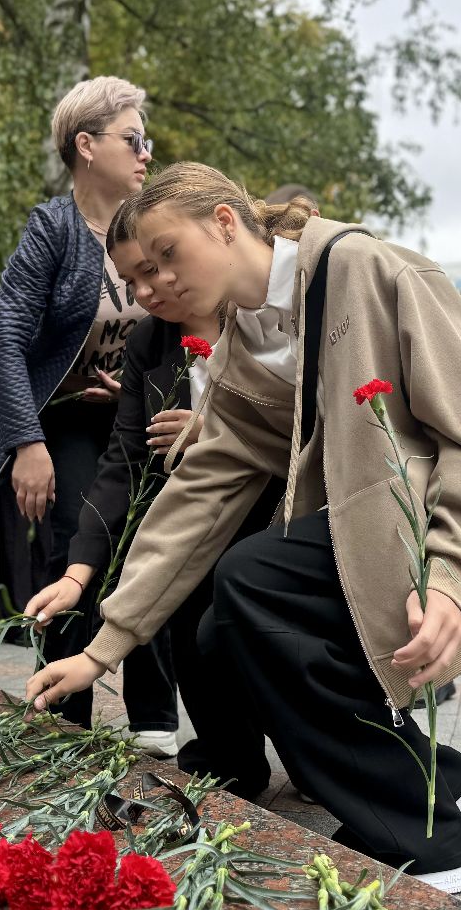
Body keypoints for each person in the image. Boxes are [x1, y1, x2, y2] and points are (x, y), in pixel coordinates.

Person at [25, 162, 461, 890]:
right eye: (137, 276)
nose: (155, 284)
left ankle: (424, 843)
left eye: (165, 257)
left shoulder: (370, 271)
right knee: (223, 629)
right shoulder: (248, 337)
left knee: (256, 580)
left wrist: (448, 579)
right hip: (367, 535)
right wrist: (103, 648)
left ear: (223, 221)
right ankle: (440, 781)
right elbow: (199, 493)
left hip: (454, 528)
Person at [26, 206, 275, 768]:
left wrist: (213, 429)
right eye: (129, 281)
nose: (146, 291)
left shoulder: (265, 315)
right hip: (191, 521)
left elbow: (304, 423)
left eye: (155, 267)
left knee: (242, 608)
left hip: (276, 512)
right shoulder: (150, 341)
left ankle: (315, 749)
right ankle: (230, 753)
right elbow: (124, 460)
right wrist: (77, 572)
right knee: (181, 598)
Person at [0, 76, 153, 726]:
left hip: (143, 418)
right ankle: (61, 718)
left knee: (152, 545)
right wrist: (26, 442)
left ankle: (155, 725)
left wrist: (147, 390)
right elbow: (5, 338)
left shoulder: (152, 223)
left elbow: (187, 328)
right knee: (80, 545)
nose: (146, 153)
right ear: (86, 145)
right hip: (67, 420)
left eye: (146, 139)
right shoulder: (53, 228)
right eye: (133, 138)